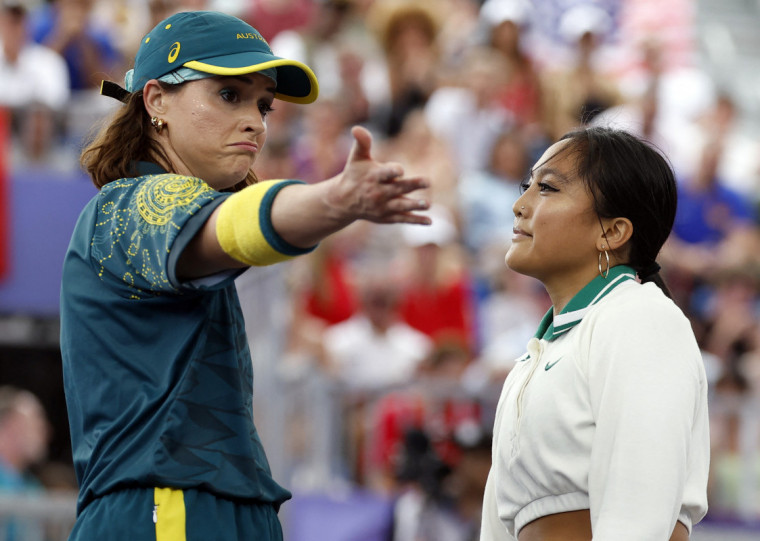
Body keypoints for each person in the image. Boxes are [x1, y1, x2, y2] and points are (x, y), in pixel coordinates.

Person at [59, 10, 430, 541]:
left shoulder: (158, 209)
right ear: (156, 100)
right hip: (168, 509)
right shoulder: (128, 204)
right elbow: (230, 227)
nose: (256, 120)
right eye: (228, 95)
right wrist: (334, 199)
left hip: (210, 506)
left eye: (263, 104)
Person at [479, 126, 710, 540]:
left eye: (547, 188)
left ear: (612, 231)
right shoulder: (535, 356)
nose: (519, 205)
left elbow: (637, 521)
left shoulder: (641, 318)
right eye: (525, 186)